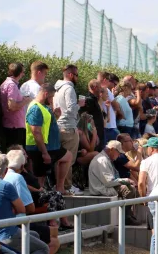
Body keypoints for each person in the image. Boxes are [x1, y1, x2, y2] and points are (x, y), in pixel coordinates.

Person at [0, 156, 64, 254]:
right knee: (44, 248)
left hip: (3, 231)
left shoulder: (4, 183)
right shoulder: (7, 184)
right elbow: (25, 209)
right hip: (6, 233)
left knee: (35, 235)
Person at [4, 150, 61, 254]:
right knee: (53, 240)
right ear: (21, 166)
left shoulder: (3, 177)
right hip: (17, 225)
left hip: (10, 224)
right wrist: (44, 209)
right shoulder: (17, 177)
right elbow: (29, 208)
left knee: (48, 234)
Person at [25, 84, 73, 194]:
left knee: (67, 156)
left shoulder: (44, 107)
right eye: (51, 97)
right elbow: (36, 131)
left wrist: (56, 116)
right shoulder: (35, 108)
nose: (52, 100)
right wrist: (44, 152)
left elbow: (48, 125)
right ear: (45, 94)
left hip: (51, 146)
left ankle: (59, 188)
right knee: (39, 178)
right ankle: (38, 203)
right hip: (39, 148)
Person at [54, 64, 84, 194]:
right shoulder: (69, 89)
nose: (77, 78)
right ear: (70, 75)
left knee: (59, 158)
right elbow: (71, 109)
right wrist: (79, 104)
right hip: (69, 127)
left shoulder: (57, 89)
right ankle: (66, 186)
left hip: (58, 126)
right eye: (76, 75)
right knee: (69, 159)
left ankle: (59, 186)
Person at [0, 63, 30, 149]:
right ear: (19, 73)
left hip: (11, 125)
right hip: (15, 127)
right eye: (23, 72)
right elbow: (11, 106)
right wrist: (25, 101)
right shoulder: (12, 85)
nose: (23, 74)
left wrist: (22, 99)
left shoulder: (6, 83)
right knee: (15, 156)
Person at [80, 79, 105, 152]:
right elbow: (83, 117)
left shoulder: (94, 99)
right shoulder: (87, 99)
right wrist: (93, 133)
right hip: (92, 135)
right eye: (100, 87)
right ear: (94, 87)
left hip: (97, 133)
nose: (101, 90)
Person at [98, 72, 122, 145]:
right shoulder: (106, 90)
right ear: (105, 80)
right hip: (109, 127)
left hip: (107, 124)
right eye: (114, 84)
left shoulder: (102, 90)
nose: (114, 86)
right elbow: (117, 106)